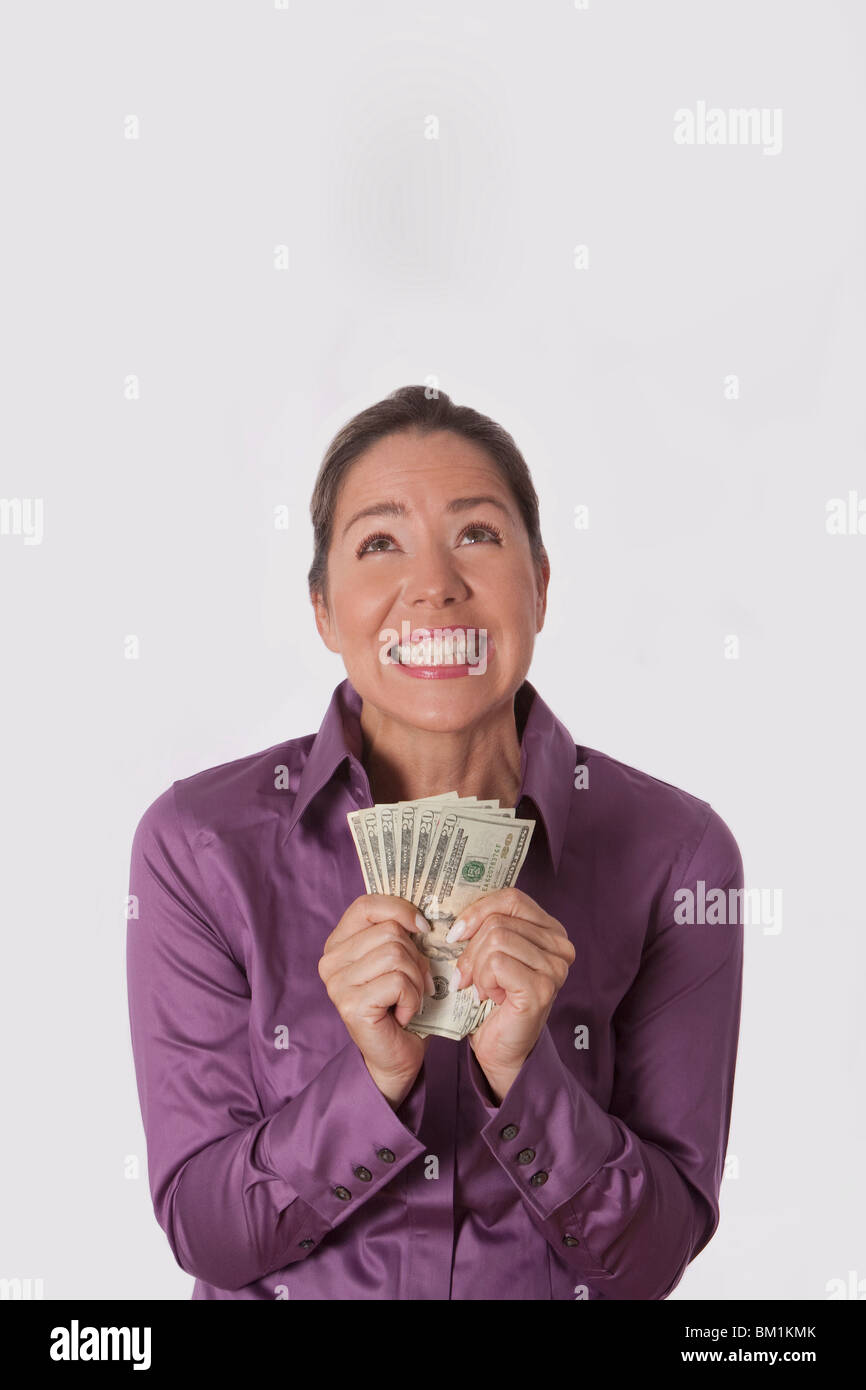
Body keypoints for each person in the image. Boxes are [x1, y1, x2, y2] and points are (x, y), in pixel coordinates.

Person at [125, 385, 744, 1300]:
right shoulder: (199, 848)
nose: (433, 584)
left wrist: (521, 1078)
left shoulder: (678, 855)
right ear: (324, 609)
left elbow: (656, 1256)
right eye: (380, 542)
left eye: (476, 535)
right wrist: (370, 1080)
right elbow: (207, 1234)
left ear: (540, 584)